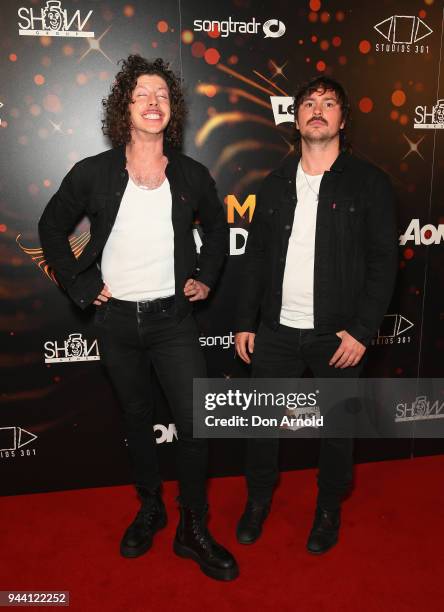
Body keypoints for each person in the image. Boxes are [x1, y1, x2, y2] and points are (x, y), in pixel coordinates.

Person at [39, 55, 238, 581]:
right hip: (117, 325)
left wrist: (207, 274)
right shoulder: (94, 172)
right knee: (136, 420)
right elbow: (51, 228)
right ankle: (150, 507)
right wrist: (80, 285)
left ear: (172, 111)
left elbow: (217, 231)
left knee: (196, 425)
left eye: (162, 96)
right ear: (124, 108)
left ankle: (193, 525)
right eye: (142, 95)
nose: (153, 103)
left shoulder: (193, 175)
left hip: (174, 321)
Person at [235, 76, 398, 554]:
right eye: (309, 103)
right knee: (262, 426)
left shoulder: (369, 184)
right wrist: (246, 320)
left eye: (329, 104)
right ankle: (258, 500)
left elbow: (383, 262)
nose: (318, 110)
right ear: (296, 118)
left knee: (337, 432)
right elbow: (257, 258)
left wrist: (363, 330)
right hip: (277, 331)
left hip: (338, 334)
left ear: (343, 120)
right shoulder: (275, 184)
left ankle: (328, 508)